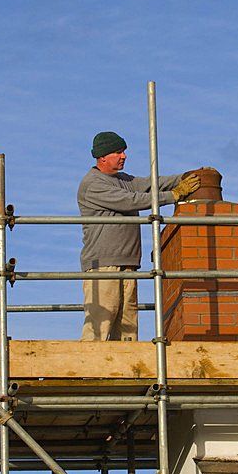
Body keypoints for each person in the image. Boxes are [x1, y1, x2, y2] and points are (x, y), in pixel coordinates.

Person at [78, 131, 201, 341]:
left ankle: (124, 372)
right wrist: (174, 195)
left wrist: (183, 178)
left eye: (124, 151)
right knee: (100, 324)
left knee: (127, 327)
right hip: (104, 265)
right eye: (118, 152)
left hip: (128, 264)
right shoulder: (93, 184)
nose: (124, 156)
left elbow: (151, 184)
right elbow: (131, 201)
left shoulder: (123, 180)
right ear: (103, 156)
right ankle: (88, 372)